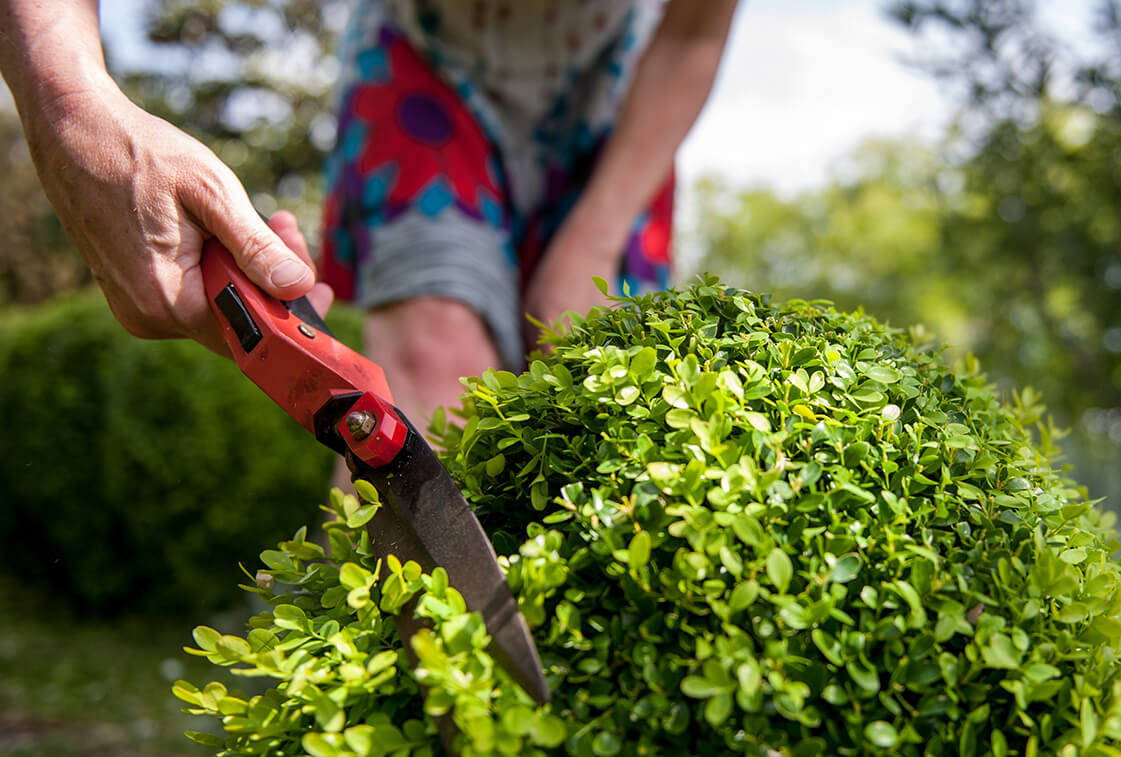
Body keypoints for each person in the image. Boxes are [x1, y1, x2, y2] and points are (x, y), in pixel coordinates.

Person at [0, 0, 738, 436]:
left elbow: (696, 32)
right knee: (435, 364)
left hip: (619, 98)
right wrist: (70, 105)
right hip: (422, 63)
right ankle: (403, 686)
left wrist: (594, 239)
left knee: (593, 401)